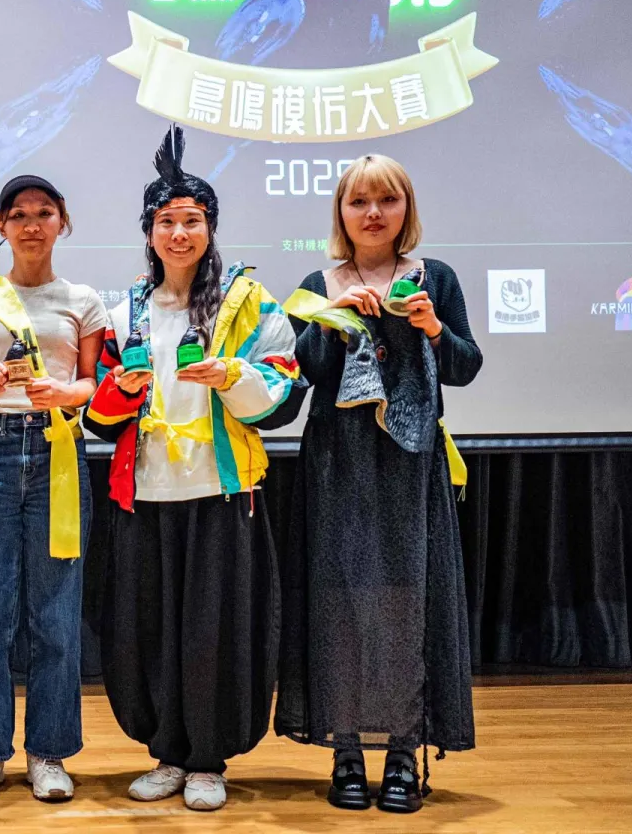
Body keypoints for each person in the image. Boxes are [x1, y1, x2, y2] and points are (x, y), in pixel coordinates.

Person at [84, 126, 300, 812]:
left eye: (193, 221)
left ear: (212, 229)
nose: (180, 234)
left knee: (215, 630)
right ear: (147, 231)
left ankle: (209, 759)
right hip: (144, 495)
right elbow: (97, 410)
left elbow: (282, 389)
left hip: (220, 492)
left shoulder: (248, 303)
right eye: (167, 222)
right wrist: (119, 391)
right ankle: (169, 753)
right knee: (150, 628)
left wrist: (233, 374)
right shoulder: (125, 311)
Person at [274, 154, 482, 813]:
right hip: (338, 463)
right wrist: (332, 316)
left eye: (386, 201)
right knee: (340, 605)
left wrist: (432, 327)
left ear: (405, 210)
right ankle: (344, 757)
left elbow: (465, 367)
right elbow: (302, 371)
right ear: (340, 212)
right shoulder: (319, 280)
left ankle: (400, 756)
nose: (372, 213)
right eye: (359, 201)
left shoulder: (435, 277)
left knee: (405, 605)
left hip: (410, 465)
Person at [0, 175, 107, 803]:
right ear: (0, 226)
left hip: (59, 454)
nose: (32, 224)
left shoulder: (84, 299)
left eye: (44, 213)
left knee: (56, 617)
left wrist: (70, 392)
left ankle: (48, 753)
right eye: (19, 214)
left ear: (62, 221)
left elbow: (98, 384)